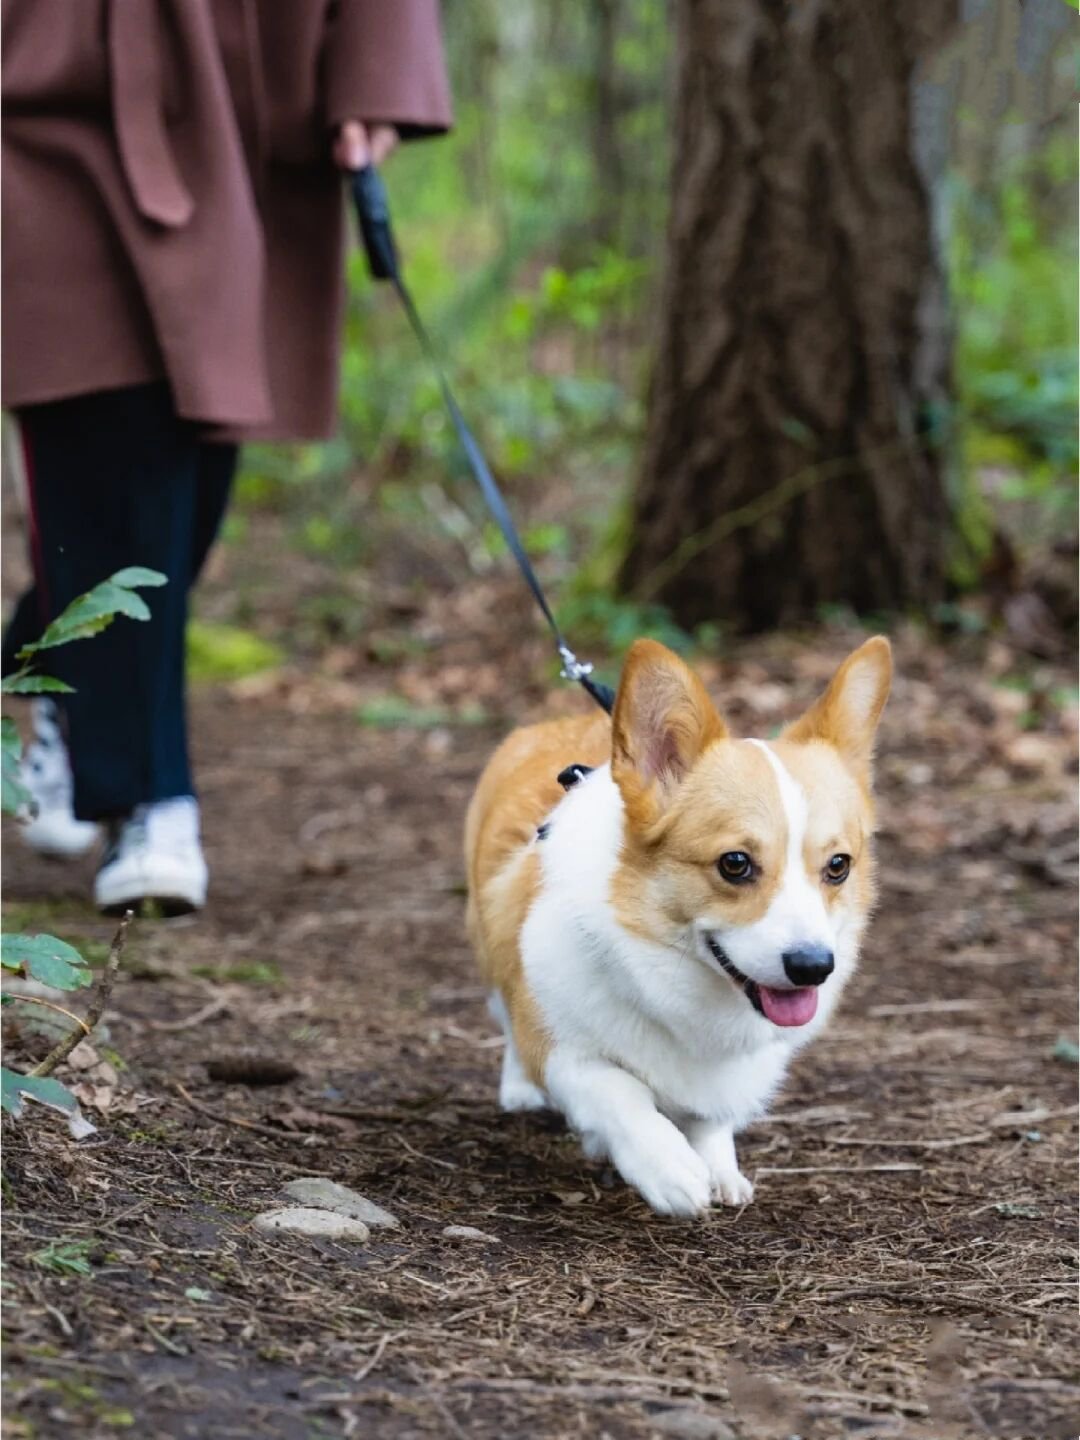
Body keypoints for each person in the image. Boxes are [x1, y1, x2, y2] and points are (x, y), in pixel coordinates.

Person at [1, 0, 452, 914]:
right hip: (45, 72)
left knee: (194, 454)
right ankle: (150, 799)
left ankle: (54, 670)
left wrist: (374, 66)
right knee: (100, 404)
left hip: (251, 75)